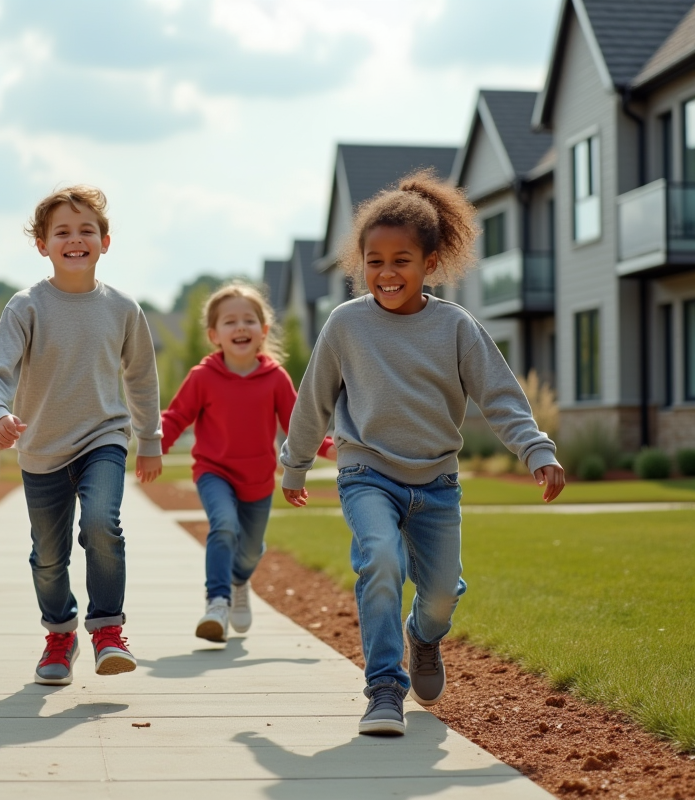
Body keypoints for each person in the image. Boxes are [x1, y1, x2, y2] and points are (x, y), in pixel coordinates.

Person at [280, 170, 565, 736]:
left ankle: (424, 637)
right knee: (379, 561)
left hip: (436, 482)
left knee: (438, 595)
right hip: (366, 473)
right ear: (361, 263)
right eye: (375, 261)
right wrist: (297, 461)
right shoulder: (345, 324)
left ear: (430, 263)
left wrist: (535, 449)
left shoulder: (456, 327)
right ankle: (384, 687)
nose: (386, 273)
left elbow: (500, 395)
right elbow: (314, 397)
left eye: (401, 260)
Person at [0, 185, 163, 686]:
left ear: (105, 241)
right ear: (42, 244)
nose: (75, 239)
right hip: (41, 447)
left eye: (87, 230)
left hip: (103, 436)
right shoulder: (26, 306)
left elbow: (141, 377)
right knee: (48, 556)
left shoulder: (124, 308)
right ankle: (61, 633)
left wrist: (149, 439)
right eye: (62, 231)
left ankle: (106, 629)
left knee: (102, 523)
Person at [162, 282, 335, 643]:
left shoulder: (275, 378)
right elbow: (176, 417)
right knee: (223, 526)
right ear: (214, 335)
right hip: (214, 472)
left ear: (264, 330)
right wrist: (153, 441)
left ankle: (239, 582)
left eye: (248, 320)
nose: (240, 327)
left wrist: (330, 447)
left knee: (251, 548)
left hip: (257, 479)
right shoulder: (202, 377)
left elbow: (297, 425)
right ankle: (217, 603)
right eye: (229, 321)